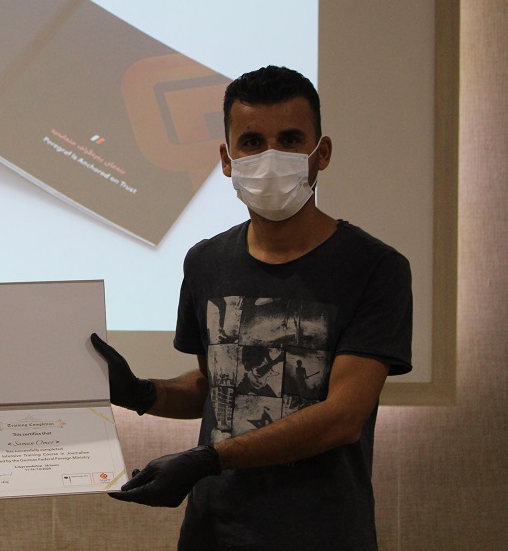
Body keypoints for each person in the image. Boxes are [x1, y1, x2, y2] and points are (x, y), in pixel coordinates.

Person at [92, 65, 412, 549]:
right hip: (213, 532)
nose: (270, 157)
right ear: (227, 159)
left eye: (290, 140)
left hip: (322, 535)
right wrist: (140, 393)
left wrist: (208, 459)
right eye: (252, 143)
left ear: (321, 153)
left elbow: (345, 416)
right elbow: (217, 389)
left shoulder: (375, 268)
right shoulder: (205, 261)